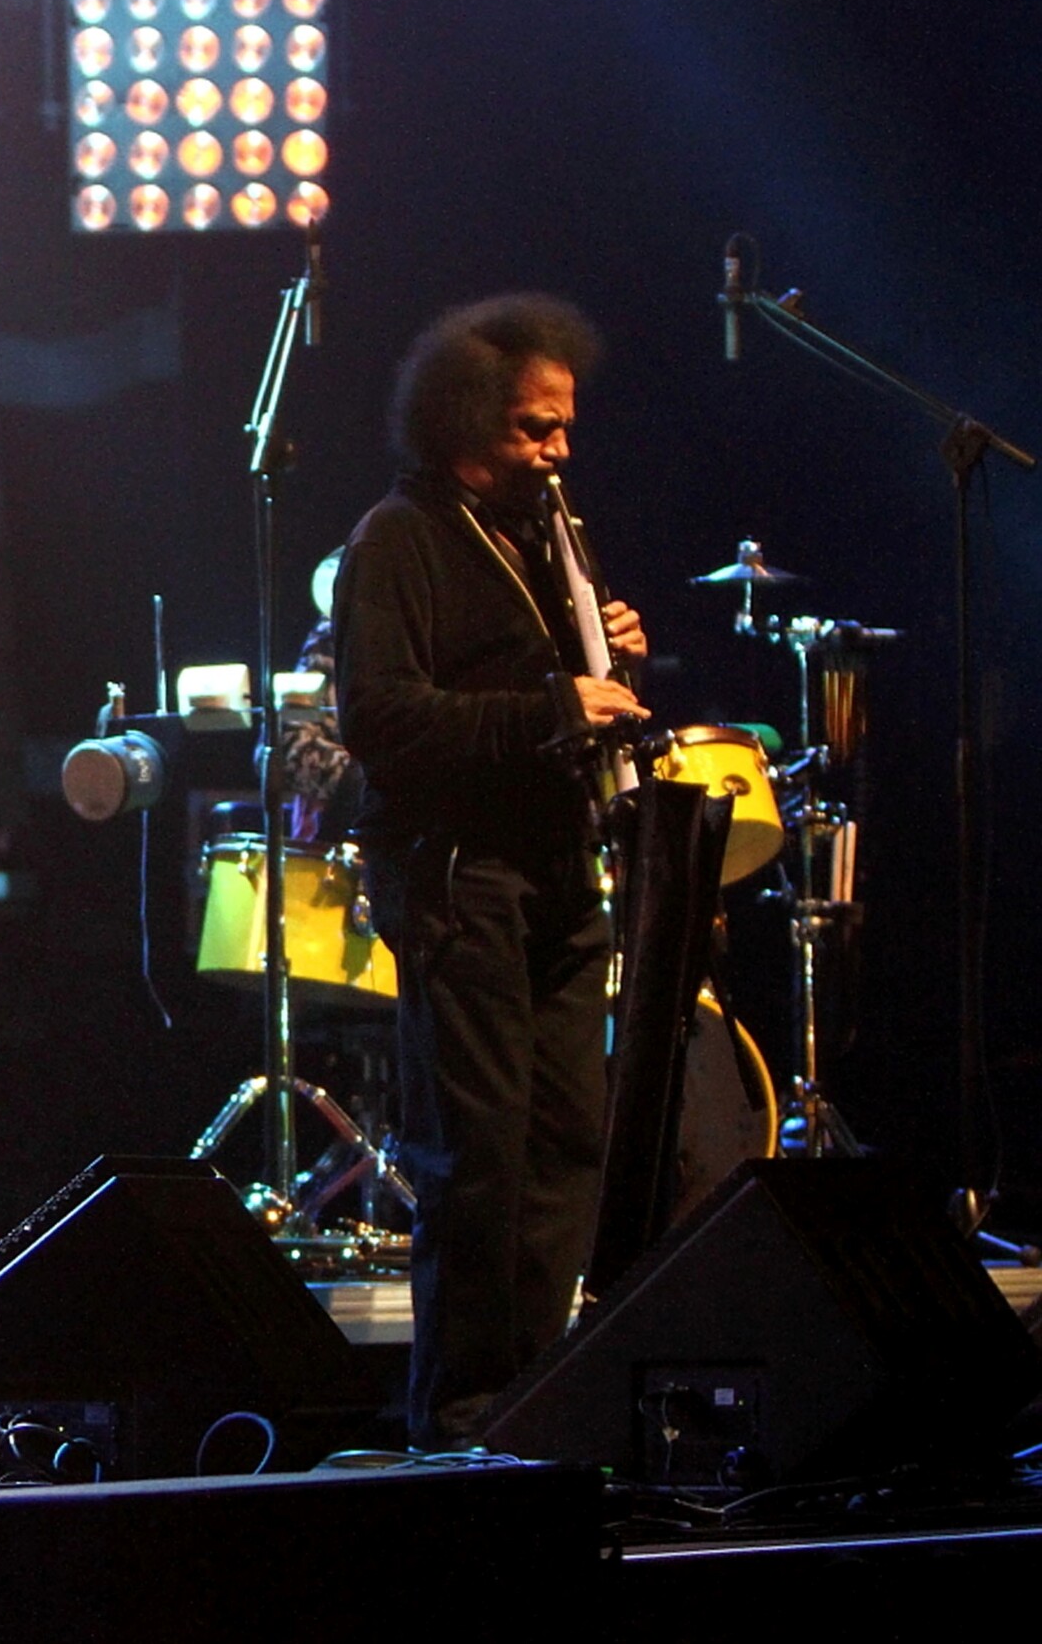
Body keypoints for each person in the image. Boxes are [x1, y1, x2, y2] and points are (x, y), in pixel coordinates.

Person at [330, 294, 650, 1451]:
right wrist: (550, 706)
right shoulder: (400, 538)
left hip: (556, 870)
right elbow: (380, 715)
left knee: (566, 1142)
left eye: (562, 425)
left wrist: (600, 649)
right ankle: (459, 1418)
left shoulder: (544, 534)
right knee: (478, 1156)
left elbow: (544, 688)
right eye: (532, 429)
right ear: (464, 423)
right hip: (459, 876)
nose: (559, 450)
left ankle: (532, 1397)